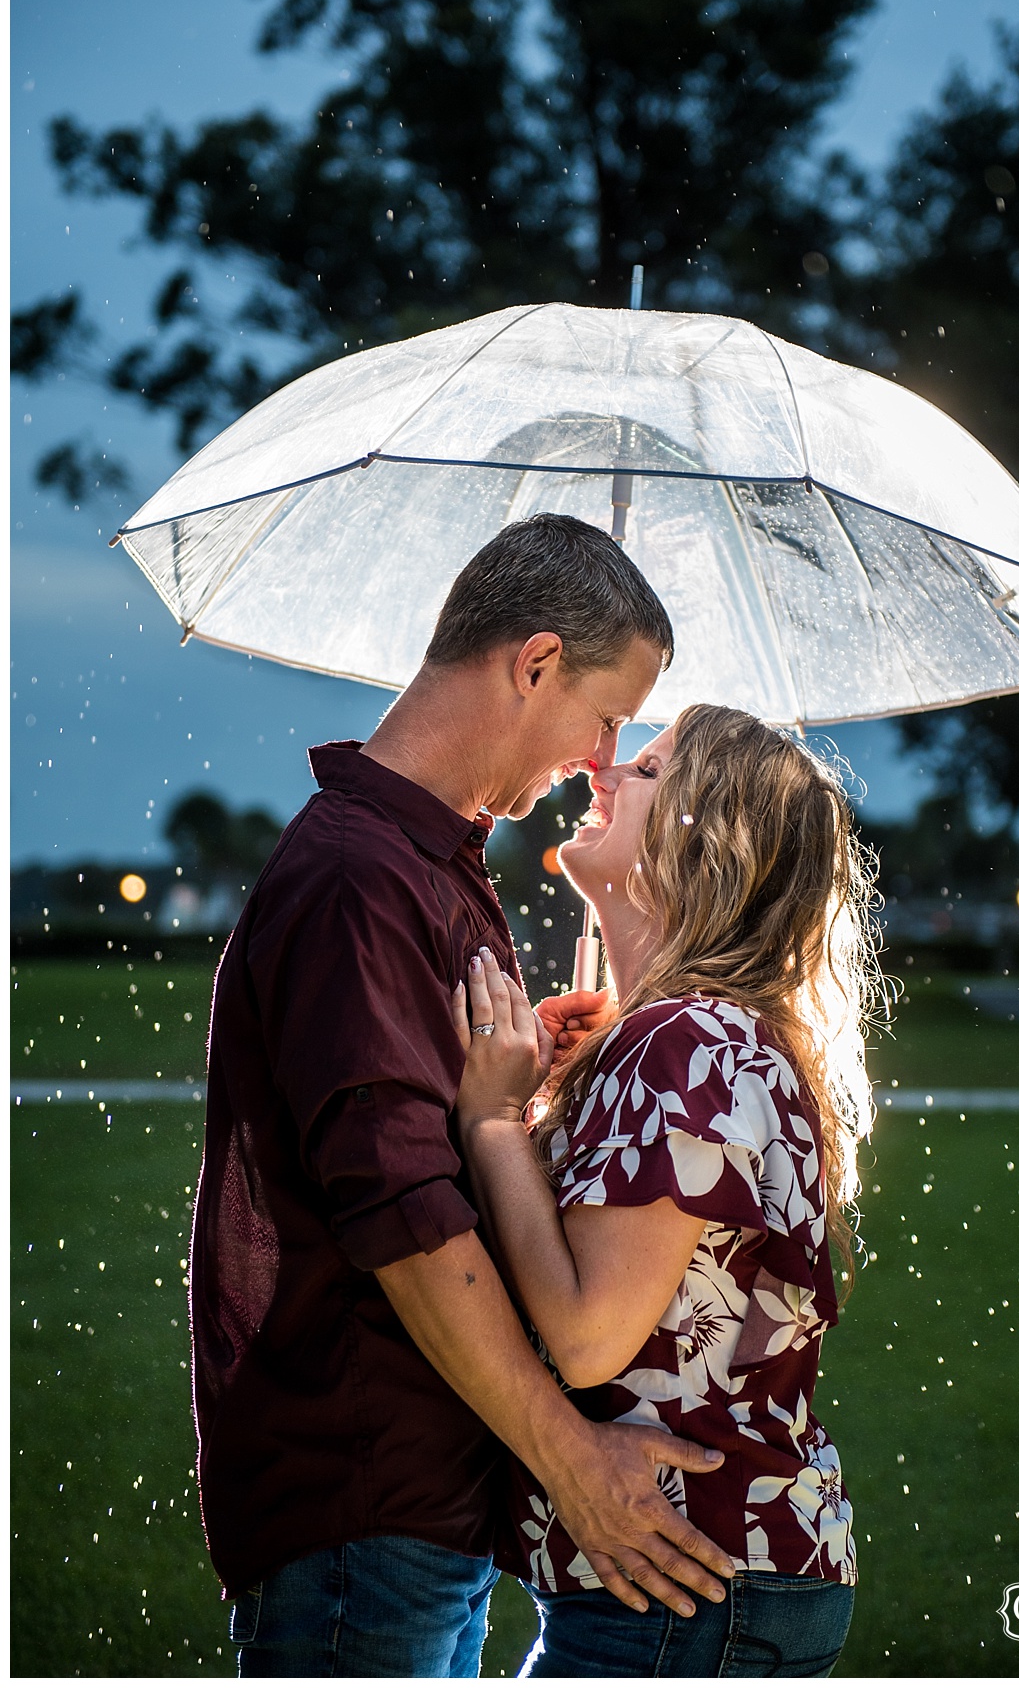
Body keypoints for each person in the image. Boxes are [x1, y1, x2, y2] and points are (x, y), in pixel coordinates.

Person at [190, 516, 739, 1678]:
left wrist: (516, 1075)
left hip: (411, 1502)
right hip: (363, 1498)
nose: (604, 758)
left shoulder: (425, 862)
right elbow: (405, 1224)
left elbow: (399, 1133)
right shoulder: (360, 879)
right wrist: (574, 1463)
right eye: (606, 717)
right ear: (534, 662)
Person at [453, 703, 880, 1677]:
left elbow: (590, 1332)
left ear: (704, 841)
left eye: (643, 769)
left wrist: (490, 1124)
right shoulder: (702, 1035)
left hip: (684, 1588)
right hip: (709, 1576)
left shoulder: (684, 1044)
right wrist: (548, 1105)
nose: (601, 771)